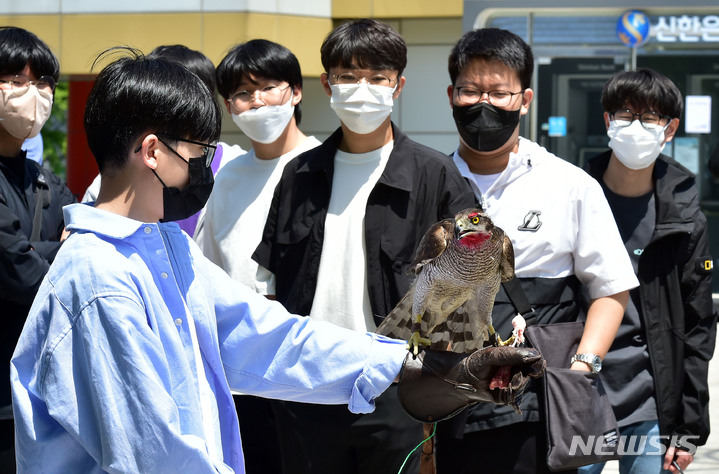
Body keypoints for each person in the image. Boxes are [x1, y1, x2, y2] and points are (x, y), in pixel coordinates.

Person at [9, 48, 543, 474]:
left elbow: (266, 336)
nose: (203, 168)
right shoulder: (99, 278)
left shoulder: (163, 248)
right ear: (153, 152)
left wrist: (419, 365)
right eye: (197, 153)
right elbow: (154, 454)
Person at [253, 19, 478, 474]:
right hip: (306, 387)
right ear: (326, 84)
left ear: (398, 86)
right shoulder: (298, 176)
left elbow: (468, 291)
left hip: (396, 389)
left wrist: (431, 382)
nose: (363, 89)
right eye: (348, 77)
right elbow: (270, 288)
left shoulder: (435, 176)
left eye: (377, 78)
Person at [435, 28, 639, 474]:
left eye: (499, 93)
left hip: (533, 403)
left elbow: (611, 286)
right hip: (443, 399)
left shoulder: (568, 184)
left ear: (524, 99)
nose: (483, 104)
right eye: (470, 91)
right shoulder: (428, 179)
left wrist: (582, 369)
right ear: (451, 95)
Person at [578, 68, 716, 474]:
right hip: (581, 390)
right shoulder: (573, 195)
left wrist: (689, 429)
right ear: (607, 121)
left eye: (650, 117)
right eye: (624, 114)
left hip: (650, 398)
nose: (635, 126)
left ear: (669, 129)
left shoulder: (686, 217)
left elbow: (698, 327)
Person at [194, 39, 321, 473]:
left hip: (309, 365)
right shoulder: (228, 176)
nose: (256, 102)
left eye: (267, 87)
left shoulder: (325, 166)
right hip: (240, 373)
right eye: (242, 95)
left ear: (296, 91)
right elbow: (207, 268)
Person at [0, 26, 76, 470]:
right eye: (15, 79)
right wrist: (55, 248)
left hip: (41, 392)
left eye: (42, 81)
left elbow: (84, 247)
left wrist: (32, 249)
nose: (33, 93)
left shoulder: (45, 179)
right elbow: (19, 274)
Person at [82, 44, 243, 237]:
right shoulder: (90, 262)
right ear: (151, 151)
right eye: (202, 151)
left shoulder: (174, 242)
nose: (203, 168)